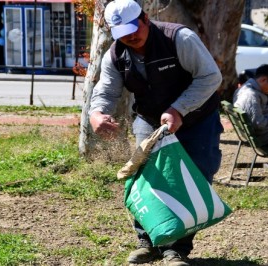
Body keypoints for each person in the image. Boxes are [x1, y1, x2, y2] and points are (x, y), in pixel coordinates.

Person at [88, 0, 223, 265]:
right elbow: (106, 90)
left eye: (133, 28)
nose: (130, 36)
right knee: (146, 179)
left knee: (191, 180)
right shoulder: (116, 54)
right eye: (121, 33)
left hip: (197, 120)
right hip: (149, 120)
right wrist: (96, 113)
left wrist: (179, 109)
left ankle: (177, 250)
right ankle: (147, 243)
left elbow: (210, 77)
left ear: (146, 19)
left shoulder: (179, 38)